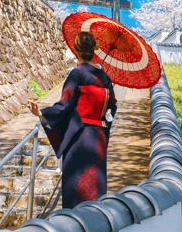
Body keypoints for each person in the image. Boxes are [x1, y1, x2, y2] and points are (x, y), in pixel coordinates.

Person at [27, 31, 117, 208]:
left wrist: (41, 113)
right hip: (98, 138)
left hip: (79, 138)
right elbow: (112, 108)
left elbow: (64, 105)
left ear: (76, 51)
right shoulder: (105, 78)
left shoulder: (76, 75)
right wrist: (103, 123)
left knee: (75, 189)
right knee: (95, 190)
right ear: (94, 50)